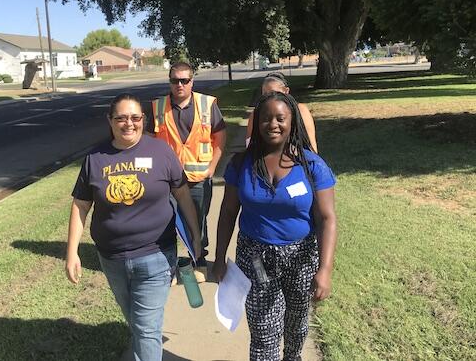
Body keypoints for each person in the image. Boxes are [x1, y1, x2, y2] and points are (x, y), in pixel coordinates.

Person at [66, 93, 201, 361]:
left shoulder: (161, 151)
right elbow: (80, 205)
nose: (129, 123)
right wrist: (72, 252)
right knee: (138, 325)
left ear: (143, 119)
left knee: (146, 329)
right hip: (112, 258)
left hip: (155, 255)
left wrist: (196, 236)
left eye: (135, 117)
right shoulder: (96, 157)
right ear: (110, 120)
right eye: (121, 118)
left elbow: (183, 193)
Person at [213, 92, 337, 361]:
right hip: (254, 255)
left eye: (281, 118)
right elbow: (227, 213)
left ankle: (293, 357)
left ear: (292, 122)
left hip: (301, 257)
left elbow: (327, 218)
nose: (273, 124)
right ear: (256, 123)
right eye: (266, 118)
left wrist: (324, 270)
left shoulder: (312, 165)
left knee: (296, 324)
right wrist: (220, 257)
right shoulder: (240, 163)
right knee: (263, 331)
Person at [147, 62, 227, 282]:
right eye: (175, 80)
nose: (179, 85)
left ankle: (199, 260)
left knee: (198, 222)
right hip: (167, 182)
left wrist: (212, 168)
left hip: (199, 179)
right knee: (166, 223)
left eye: (184, 80)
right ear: (169, 81)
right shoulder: (157, 107)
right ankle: (170, 266)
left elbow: (220, 137)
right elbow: (150, 142)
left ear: (192, 81)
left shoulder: (207, 104)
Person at [246, 72, 318, 152]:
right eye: (265, 94)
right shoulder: (256, 114)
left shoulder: (301, 111)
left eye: (273, 93)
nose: (268, 97)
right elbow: (250, 146)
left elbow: (311, 146)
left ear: (286, 91)